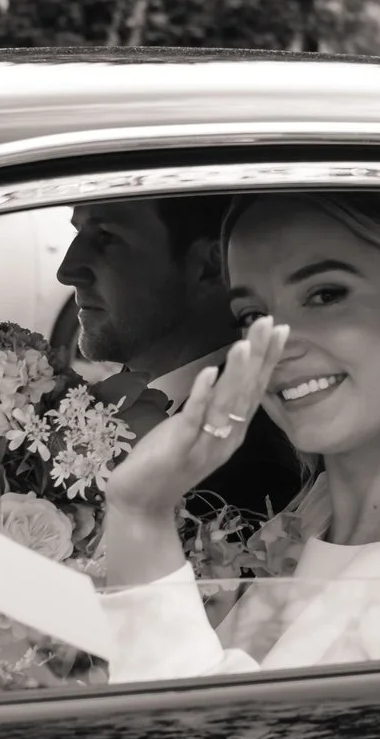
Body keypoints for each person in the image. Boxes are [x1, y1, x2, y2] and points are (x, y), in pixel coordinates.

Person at [95, 192, 380, 682]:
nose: (278, 345)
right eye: (253, 317)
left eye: (325, 295)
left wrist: (141, 514)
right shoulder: (310, 520)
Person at [56, 196, 305, 525]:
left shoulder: (257, 468)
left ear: (210, 267)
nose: (67, 271)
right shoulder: (84, 407)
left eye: (106, 236)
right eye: (77, 234)